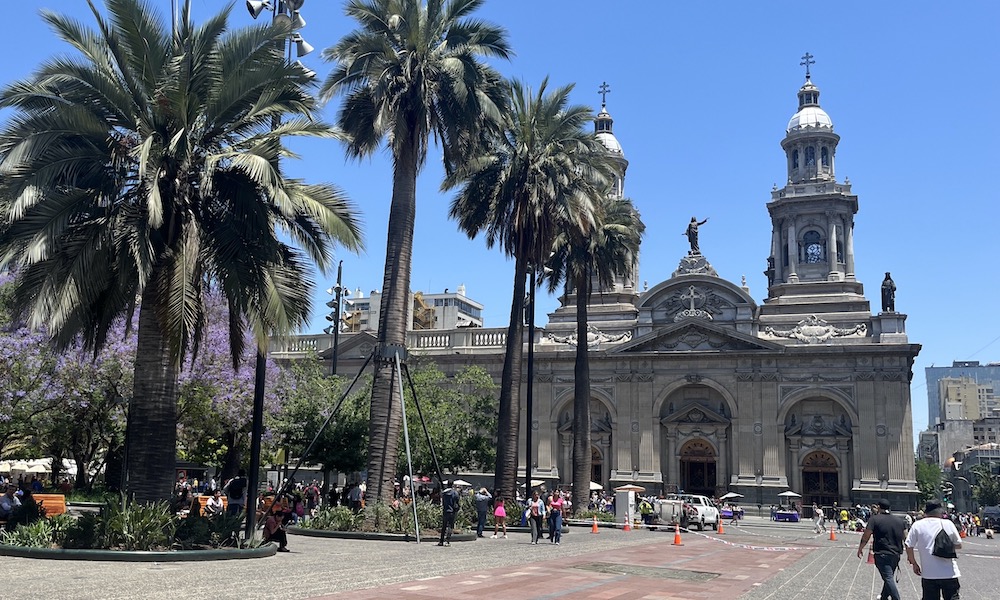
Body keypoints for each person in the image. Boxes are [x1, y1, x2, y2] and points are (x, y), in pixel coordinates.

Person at [905, 501, 961, 600]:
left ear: (926, 512)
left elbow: (908, 545)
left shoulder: (917, 525)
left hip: (929, 573)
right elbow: (959, 545)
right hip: (949, 573)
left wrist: (913, 563)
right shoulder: (948, 523)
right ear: (940, 512)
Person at [857, 499, 907, 600]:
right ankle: (883, 597)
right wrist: (910, 555)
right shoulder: (900, 521)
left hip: (882, 553)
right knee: (888, 577)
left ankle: (896, 598)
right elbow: (906, 538)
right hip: (896, 553)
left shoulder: (874, 519)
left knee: (888, 578)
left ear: (879, 507)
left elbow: (866, 535)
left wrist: (860, 548)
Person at [437, 480, 460, 547]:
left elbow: (442, 502)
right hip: (452, 511)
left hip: (445, 510)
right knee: (450, 526)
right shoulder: (455, 493)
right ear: (452, 484)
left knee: (444, 526)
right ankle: (447, 541)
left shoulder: (444, 493)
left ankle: (441, 541)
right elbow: (457, 501)